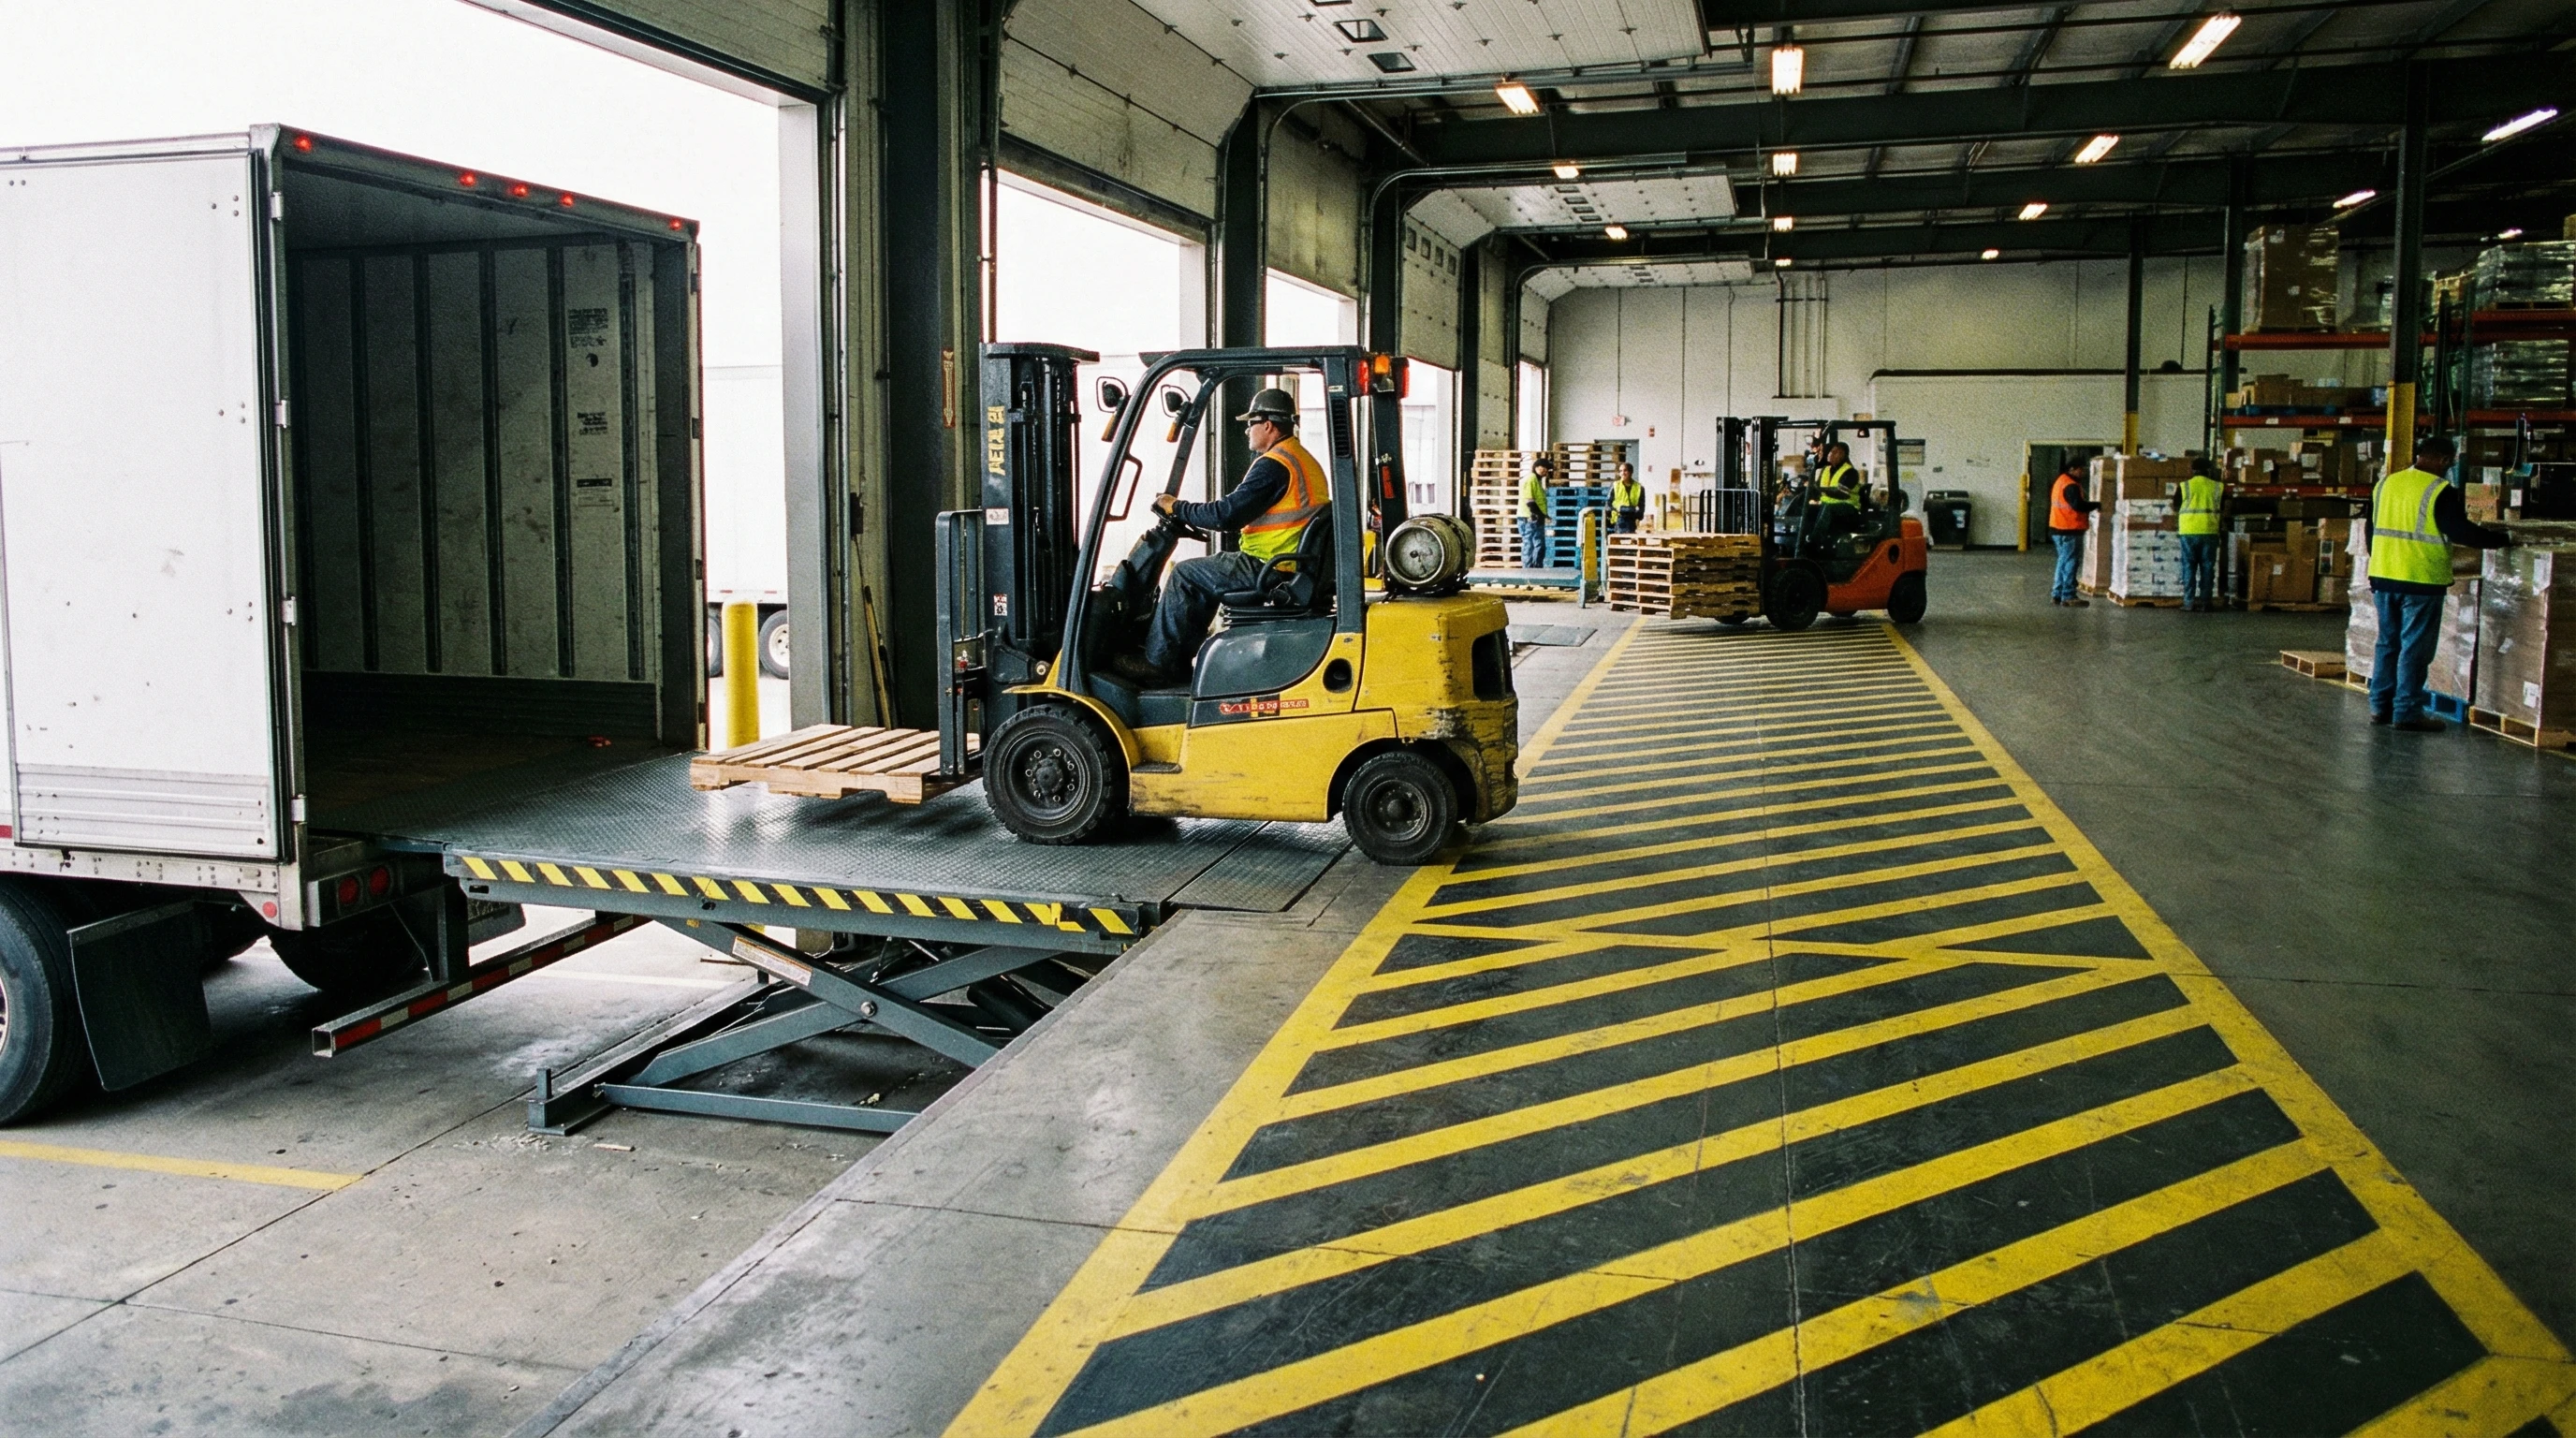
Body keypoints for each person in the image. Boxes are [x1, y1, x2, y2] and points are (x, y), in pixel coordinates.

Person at [1110, 388, 1328, 686]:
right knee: (1204, 578)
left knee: (1185, 574)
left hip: (1269, 567)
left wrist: (1177, 507)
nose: (1247, 430)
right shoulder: (1301, 459)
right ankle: (1177, 663)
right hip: (1288, 565)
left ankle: (1157, 662)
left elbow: (1225, 515)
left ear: (1268, 425)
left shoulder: (1274, 465)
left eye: (1251, 422)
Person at [2365, 433, 2504, 731]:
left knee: (2388, 644)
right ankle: (2407, 712)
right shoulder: (2439, 489)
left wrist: (2380, 561)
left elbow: (2370, 530)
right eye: (2450, 462)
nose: (2449, 467)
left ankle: (2380, 707)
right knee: (2415, 648)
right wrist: (2500, 540)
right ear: (2442, 459)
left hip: (2384, 575)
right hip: (2420, 580)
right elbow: (2460, 531)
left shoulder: (2386, 484)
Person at [2047, 457, 2099, 607]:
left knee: (2063, 561)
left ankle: (2057, 593)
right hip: (2069, 529)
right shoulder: (2071, 485)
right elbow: (2078, 506)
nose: (2082, 472)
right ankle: (2068, 595)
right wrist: (2096, 505)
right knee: (2071, 562)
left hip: (2058, 527)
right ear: (2072, 469)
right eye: (2080, 469)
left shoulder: (2060, 481)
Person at [2175, 463, 2225, 611]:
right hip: (2209, 531)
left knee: (2189, 566)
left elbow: (2175, 505)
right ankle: (2206, 603)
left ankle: (2189, 602)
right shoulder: (2218, 487)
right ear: (2209, 471)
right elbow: (2222, 507)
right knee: (2208, 567)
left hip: (2188, 531)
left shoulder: (2184, 486)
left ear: (2192, 470)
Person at [1804, 441, 1864, 552]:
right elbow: (1818, 489)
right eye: (1831, 451)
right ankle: (1801, 540)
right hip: (1827, 505)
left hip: (1848, 509)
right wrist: (1808, 489)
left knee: (1828, 508)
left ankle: (1813, 545)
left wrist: (1820, 490)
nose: (1830, 454)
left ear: (1843, 455)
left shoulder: (1850, 472)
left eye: (1835, 452)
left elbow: (1842, 493)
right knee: (1806, 507)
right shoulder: (1826, 470)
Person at [1518, 454, 1554, 568]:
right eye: (1542, 468)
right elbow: (1530, 501)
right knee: (1530, 544)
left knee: (1539, 544)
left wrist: (1544, 516)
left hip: (1536, 517)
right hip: (1529, 517)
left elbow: (1539, 501)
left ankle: (1536, 569)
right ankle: (1528, 569)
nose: (1544, 471)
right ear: (1536, 467)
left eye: (1546, 469)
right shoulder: (1531, 479)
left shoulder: (1538, 481)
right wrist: (1538, 514)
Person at [1609, 463, 1646, 534]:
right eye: (1620, 471)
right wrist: (1618, 509)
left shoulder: (1639, 487)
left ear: (1631, 472)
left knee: (1631, 541)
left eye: (1625, 470)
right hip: (1619, 520)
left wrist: (1636, 512)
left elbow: (1642, 506)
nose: (1622, 473)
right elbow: (1608, 504)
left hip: (1632, 520)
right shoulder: (1615, 486)